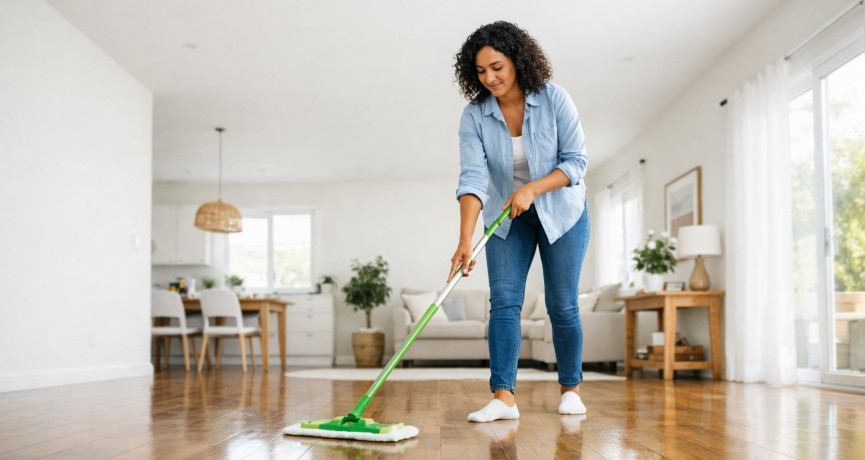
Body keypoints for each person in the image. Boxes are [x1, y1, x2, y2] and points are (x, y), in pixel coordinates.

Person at [448, 21, 590, 423]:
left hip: (562, 212)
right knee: (504, 302)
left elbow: (576, 162)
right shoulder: (475, 116)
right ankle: (503, 398)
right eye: (480, 71)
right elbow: (472, 178)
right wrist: (464, 239)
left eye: (497, 67)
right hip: (507, 218)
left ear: (518, 60)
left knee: (562, 303)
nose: (489, 78)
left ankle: (571, 390)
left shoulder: (554, 98)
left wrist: (532, 189)